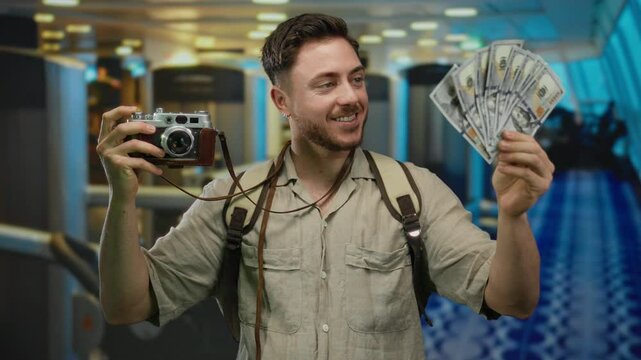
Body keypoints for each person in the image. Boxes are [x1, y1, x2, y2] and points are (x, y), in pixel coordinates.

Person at [96, 13, 554, 359]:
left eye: (356, 79)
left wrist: (514, 216)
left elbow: (512, 300)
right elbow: (128, 306)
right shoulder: (233, 200)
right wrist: (123, 197)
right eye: (326, 84)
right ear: (282, 101)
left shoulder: (415, 194)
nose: (350, 96)